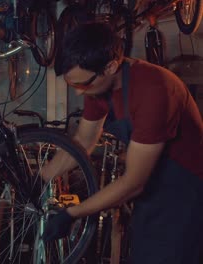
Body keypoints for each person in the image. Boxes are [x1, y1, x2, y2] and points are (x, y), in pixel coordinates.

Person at [41, 22, 203, 264]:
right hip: (152, 195)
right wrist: (41, 179)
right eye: (72, 85)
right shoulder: (97, 87)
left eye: (82, 84)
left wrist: (72, 214)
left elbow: (134, 182)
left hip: (186, 196)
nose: (78, 93)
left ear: (110, 66)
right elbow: (82, 143)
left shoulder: (154, 90)